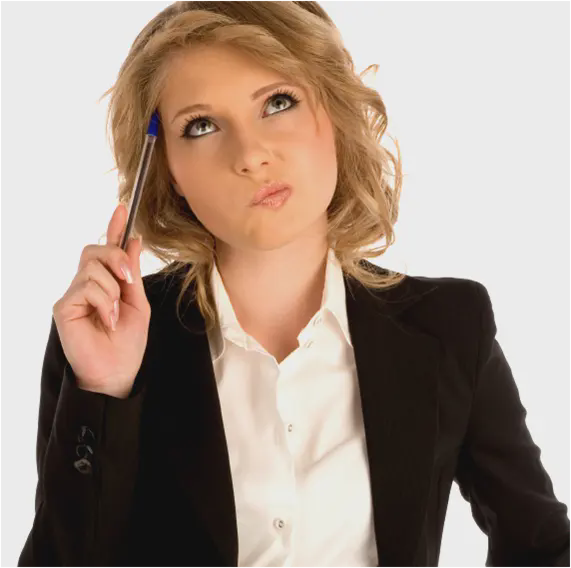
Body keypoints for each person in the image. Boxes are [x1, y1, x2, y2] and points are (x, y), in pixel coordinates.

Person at [17, 1, 571, 567]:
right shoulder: (108, 339)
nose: (251, 155)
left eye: (277, 102)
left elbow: (543, 548)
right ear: (169, 171)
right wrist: (103, 391)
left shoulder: (449, 326)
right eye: (201, 126)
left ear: (332, 111)